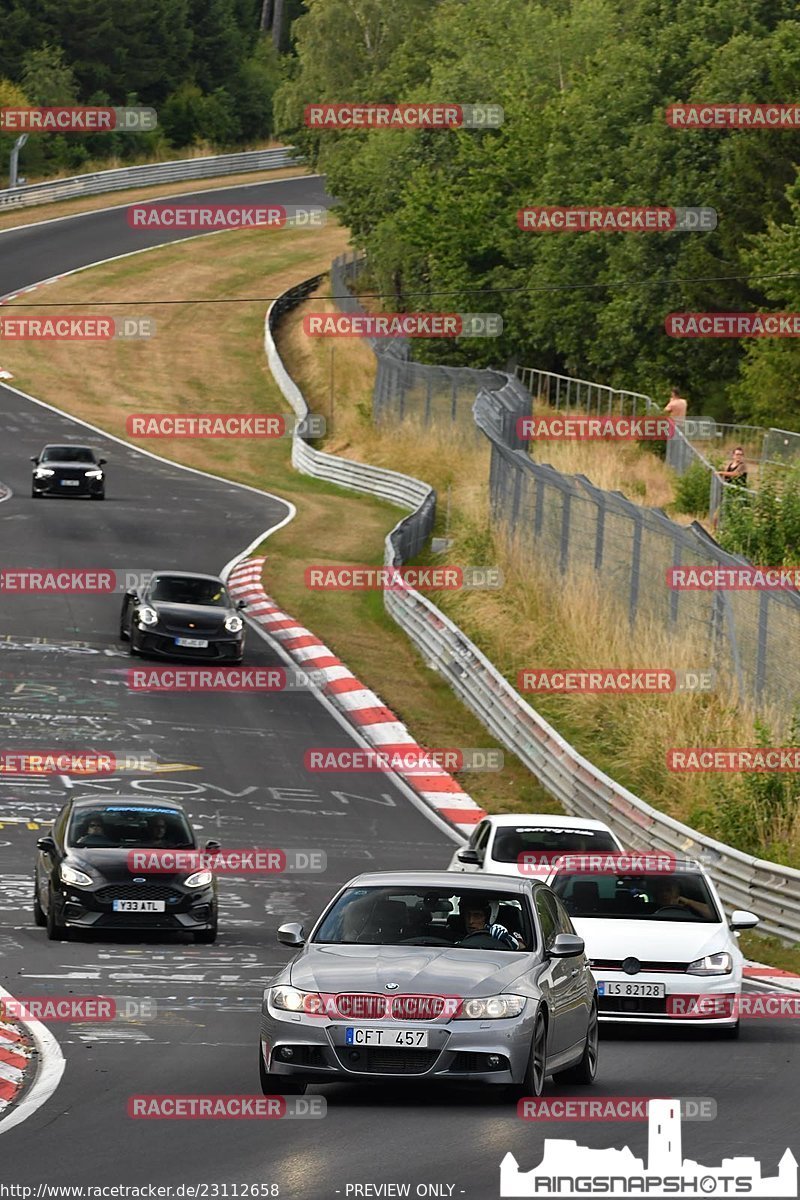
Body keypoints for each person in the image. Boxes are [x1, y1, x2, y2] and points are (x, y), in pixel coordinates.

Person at [459, 900, 525, 948]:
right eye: (467, 915)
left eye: (477, 915)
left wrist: (510, 940)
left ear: (488, 916)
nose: (471, 921)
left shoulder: (502, 932)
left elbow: (524, 949)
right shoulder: (452, 931)